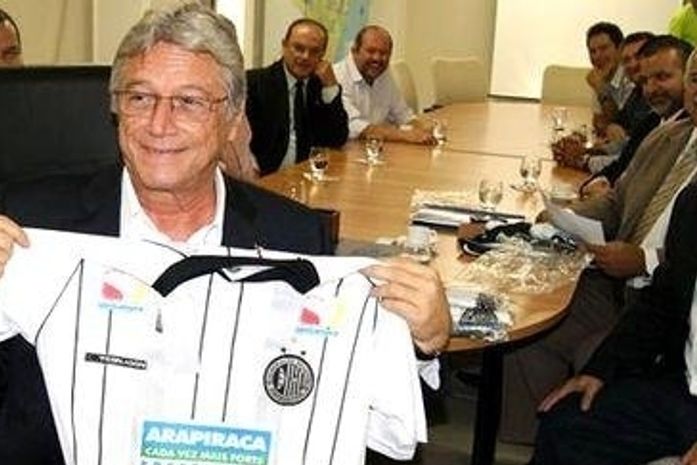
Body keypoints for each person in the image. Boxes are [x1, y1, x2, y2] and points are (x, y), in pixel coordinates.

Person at [0, 4, 451, 464]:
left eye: (189, 102)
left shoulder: (293, 236)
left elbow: (357, 420)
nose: (159, 124)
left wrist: (421, 345)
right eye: (139, 97)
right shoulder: (31, 228)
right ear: (116, 108)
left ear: (234, 118)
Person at [500, 47, 697, 445]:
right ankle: (523, 438)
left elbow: (679, 276)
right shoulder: (667, 136)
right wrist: (561, 214)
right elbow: (617, 201)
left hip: (658, 303)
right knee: (523, 317)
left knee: (589, 360)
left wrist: (644, 261)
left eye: (665, 77)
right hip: (616, 282)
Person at [531, 181, 697, 465]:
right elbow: (661, 303)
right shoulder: (692, 203)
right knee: (566, 424)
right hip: (682, 389)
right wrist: (599, 370)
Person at [580, 36, 692, 198]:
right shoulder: (652, 121)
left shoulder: (689, 131)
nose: (651, 89)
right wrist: (592, 184)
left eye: (662, 77)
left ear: (689, 77)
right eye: (645, 80)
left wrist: (584, 162)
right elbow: (622, 166)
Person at [246, 18, 348, 175]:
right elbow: (239, 141)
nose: (305, 56)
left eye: (314, 51)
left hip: (308, 176)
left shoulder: (320, 85)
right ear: (284, 46)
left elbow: (337, 139)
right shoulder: (255, 83)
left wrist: (331, 87)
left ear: (323, 54)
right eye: (299, 48)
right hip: (266, 178)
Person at [554, 31, 654, 174]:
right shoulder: (638, 92)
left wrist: (582, 160)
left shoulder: (649, 95)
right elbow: (608, 127)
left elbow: (635, 160)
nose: (633, 64)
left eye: (604, 48)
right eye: (593, 51)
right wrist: (589, 151)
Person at [333, 25, 436, 144]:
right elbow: (355, 125)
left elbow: (403, 115)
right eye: (371, 51)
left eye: (383, 53)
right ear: (354, 51)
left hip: (374, 148)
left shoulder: (382, 74)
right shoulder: (337, 76)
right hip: (345, 149)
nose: (377, 58)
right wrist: (405, 135)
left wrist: (423, 129)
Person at [584, 22, 627, 137]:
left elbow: (621, 123)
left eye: (604, 48)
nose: (597, 56)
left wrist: (600, 88)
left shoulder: (630, 77)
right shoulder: (600, 76)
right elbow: (598, 122)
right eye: (593, 51)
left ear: (620, 49)